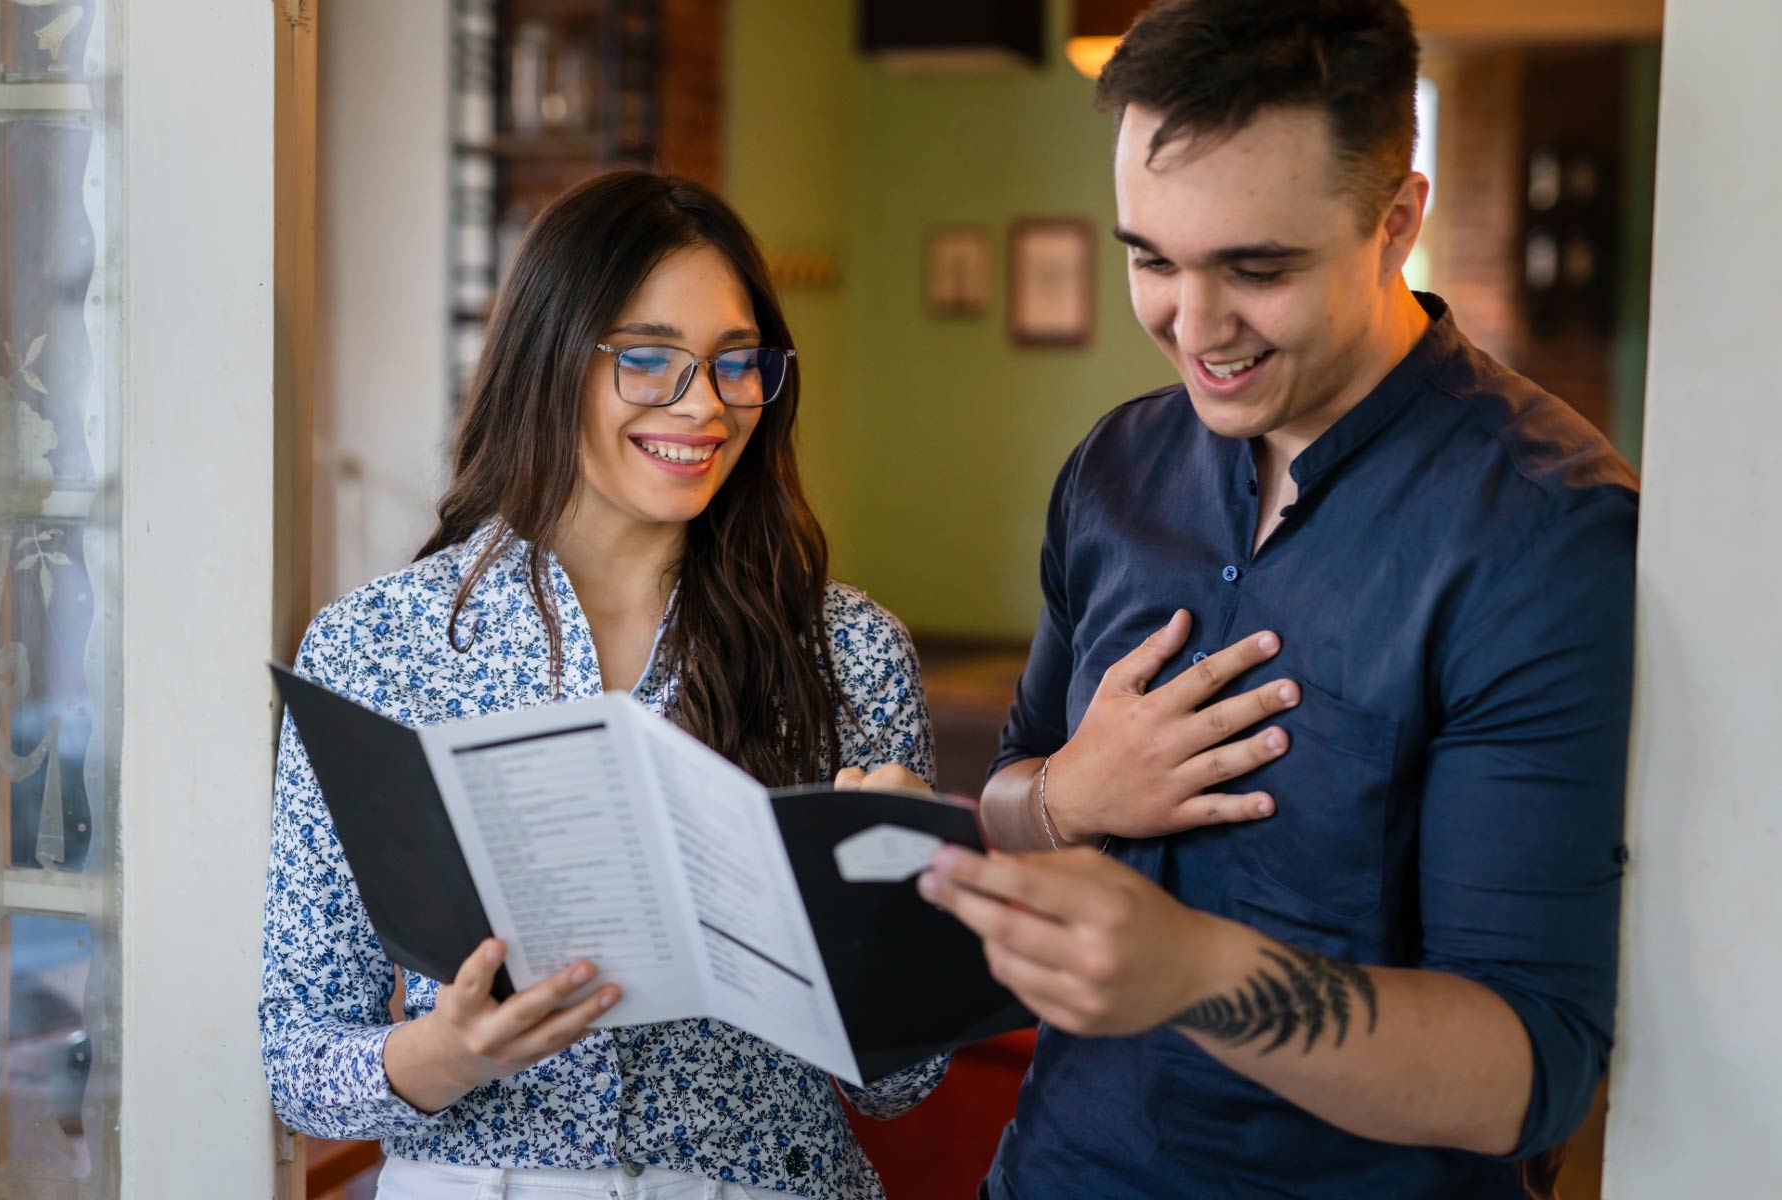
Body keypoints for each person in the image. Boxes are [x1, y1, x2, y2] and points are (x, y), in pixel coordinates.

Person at [853, 2, 1639, 1195]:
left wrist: (1195, 974)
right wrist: (1058, 801)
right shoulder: (1113, 471)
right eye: (1151, 259)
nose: (1195, 326)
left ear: (1396, 221)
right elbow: (1018, 791)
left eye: (1256, 269)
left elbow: (1533, 1069)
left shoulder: (1544, 531)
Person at [261, 169, 945, 1200]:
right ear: (550, 362)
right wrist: (452, 1052)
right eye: (648, 359)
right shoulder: (375, 645)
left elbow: (901, 1091)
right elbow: (299, 1061)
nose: (704, 405)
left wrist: (901, 913)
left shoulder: (849, 651)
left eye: (736, 364)